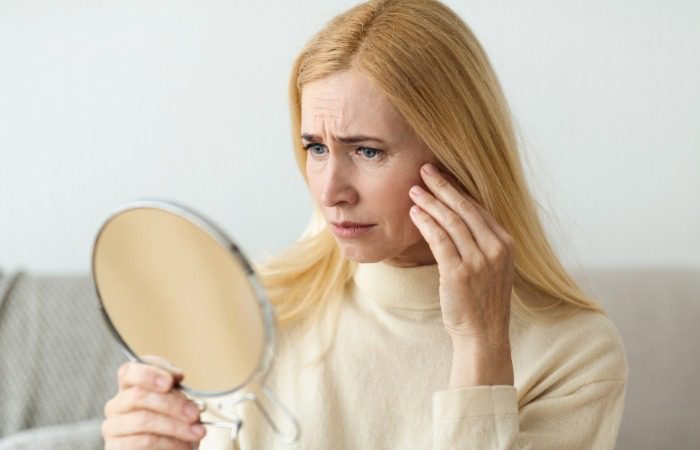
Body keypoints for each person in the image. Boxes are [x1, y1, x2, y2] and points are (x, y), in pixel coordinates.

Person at [101, 0, 628, 448]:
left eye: (369, 151)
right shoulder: (258, 315)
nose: (330, 191)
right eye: (315, 148)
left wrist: (480, 349)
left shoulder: (575, 354)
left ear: (459, 156)